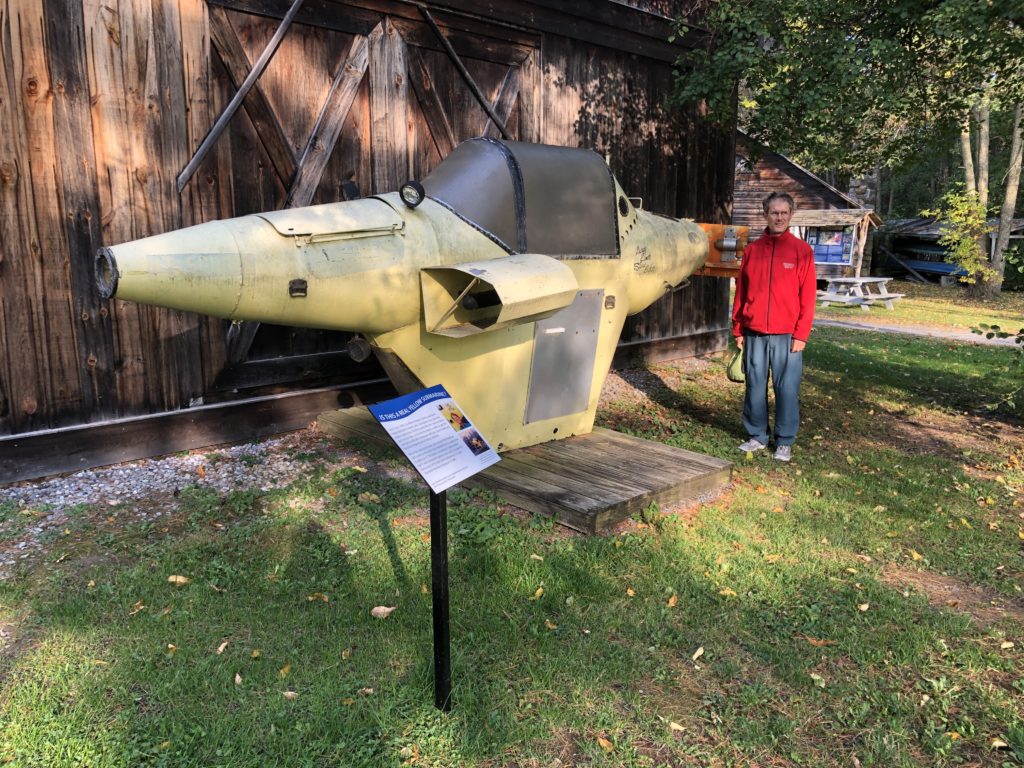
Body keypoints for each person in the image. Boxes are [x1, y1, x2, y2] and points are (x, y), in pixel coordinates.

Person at [732, 191, 816, 462]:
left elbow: (809, 297)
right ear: (765, 214)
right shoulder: (753, 251)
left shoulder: (802, 252)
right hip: (754, 332)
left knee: (786, 388)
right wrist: (738, 328)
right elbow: (741, 293)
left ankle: (784, 440)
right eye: (774, 212)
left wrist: (802, 334)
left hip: (788, 334)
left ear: (791, 215)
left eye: (783, 212)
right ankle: (757, 435)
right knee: (755, 386)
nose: (778, 217)